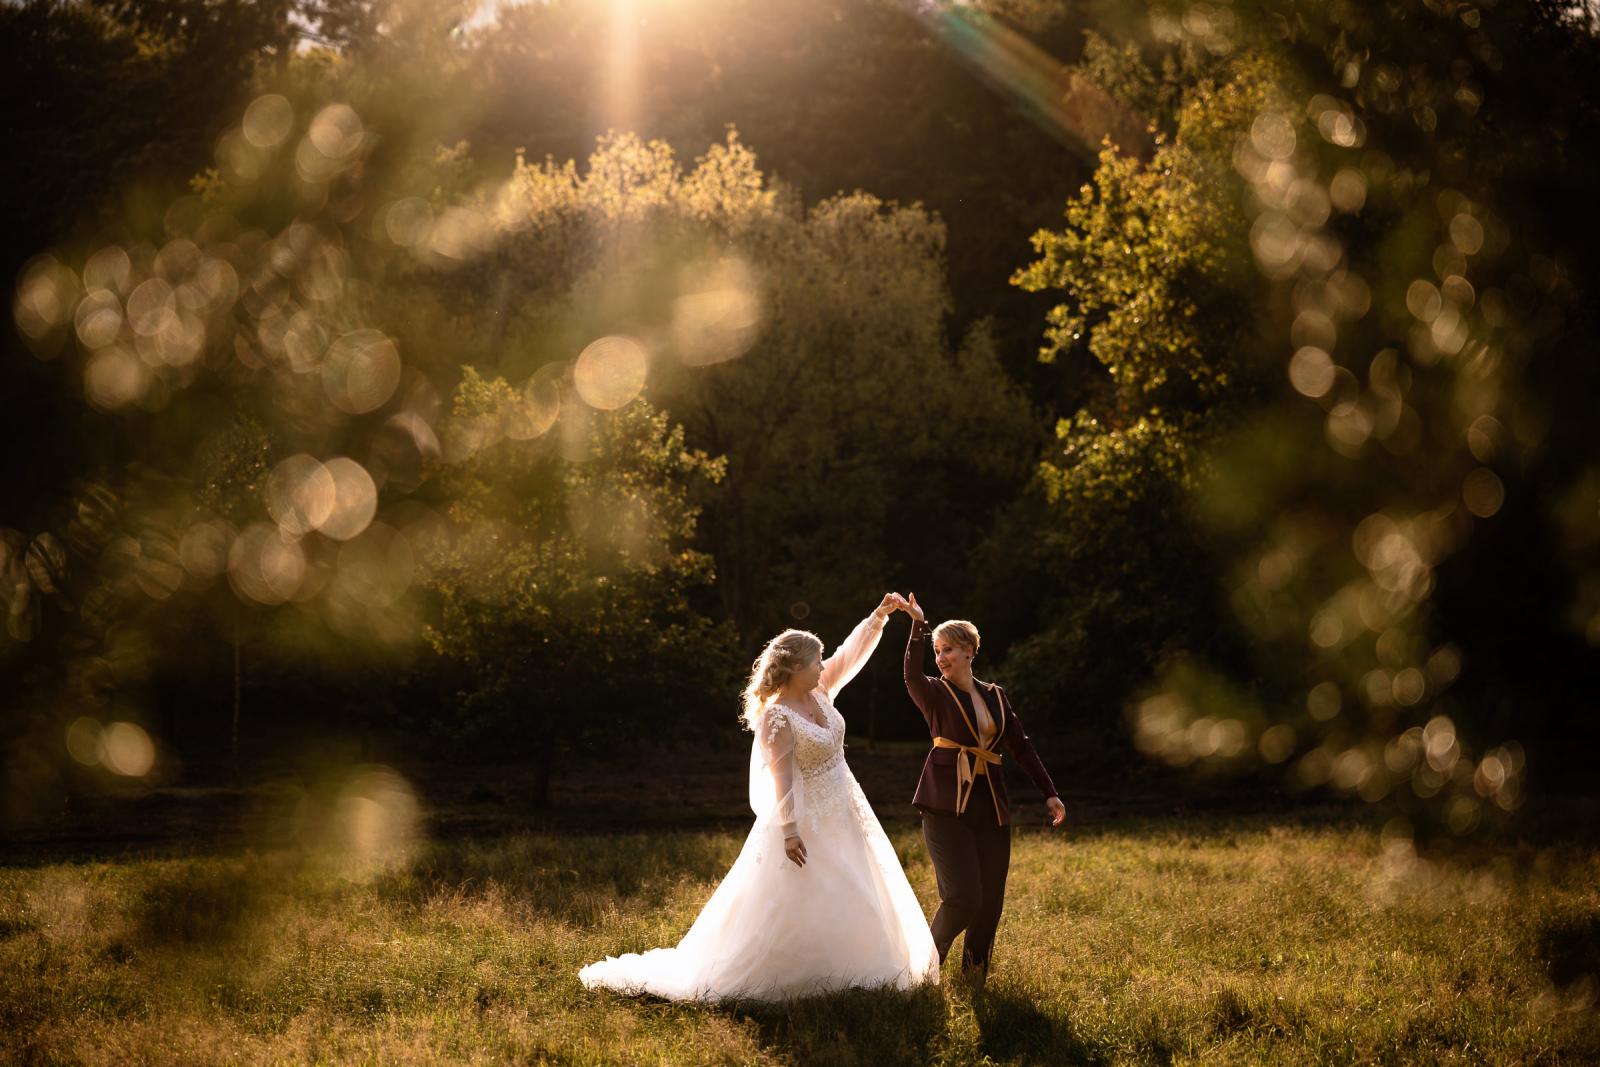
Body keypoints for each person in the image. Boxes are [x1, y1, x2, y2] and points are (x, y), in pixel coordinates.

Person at [579, 593, 939, 1001]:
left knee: (859, 889)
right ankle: (801, 976)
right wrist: (789, 830)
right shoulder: (776, 715)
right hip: (806, 819)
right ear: (795, 668)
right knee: (808, 897)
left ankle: (862, 973)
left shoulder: (820, 690)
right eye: (815, 662)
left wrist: (879, 617)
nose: (823, 667)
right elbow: (781, 779)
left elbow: (848, 654)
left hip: (845, 811)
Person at [900, 592, 1065, 982]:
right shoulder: (933, 692)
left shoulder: (996, 695)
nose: (941, 658)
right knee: (962, 899)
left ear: (969, 650)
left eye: (948, 649)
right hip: (944, 807)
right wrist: (918, 626)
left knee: (990, 902)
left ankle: (973, 980)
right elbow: (910, 674)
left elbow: (1021, 746)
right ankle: (921, 974)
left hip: (991, 807)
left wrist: (1050, 792)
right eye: (937, 651)